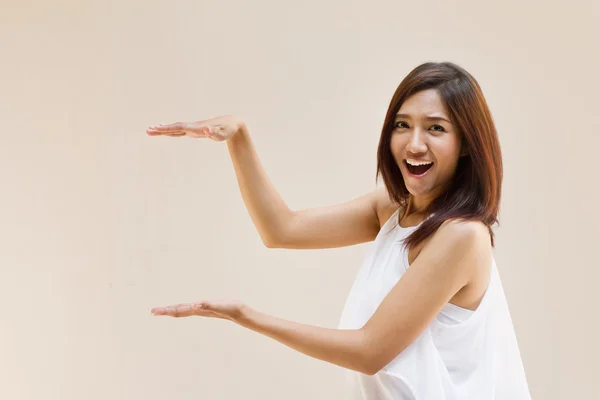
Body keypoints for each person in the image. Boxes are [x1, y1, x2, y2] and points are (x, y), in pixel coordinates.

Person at [146, 61, 531, 399]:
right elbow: (282, 229)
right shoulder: (393, 208)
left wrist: (248, 316)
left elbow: (370, 351)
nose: (415, 144)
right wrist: (239, 139)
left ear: (465, 144)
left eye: (435, 128)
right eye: (402, 125)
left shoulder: (461, 236)